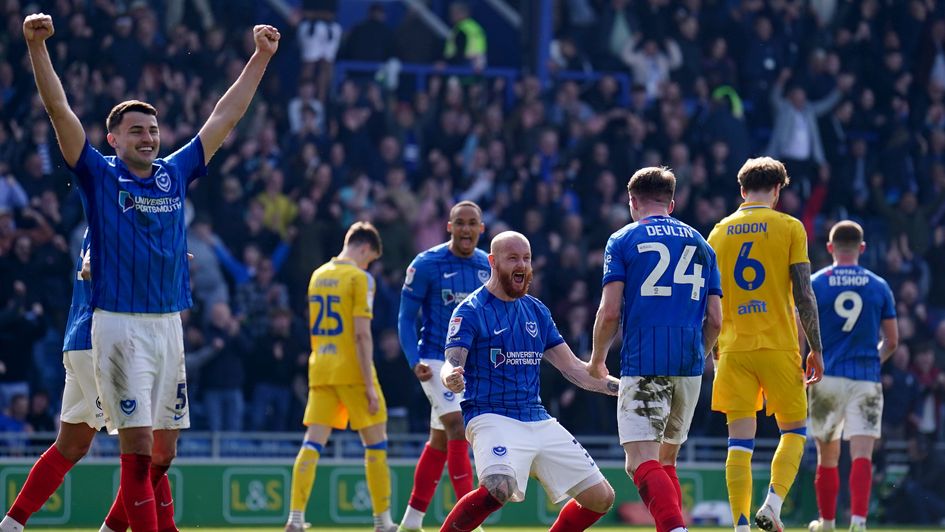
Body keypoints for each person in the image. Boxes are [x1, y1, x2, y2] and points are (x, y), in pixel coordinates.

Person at [20, 12, 280, 531]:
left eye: (154, 130)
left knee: (163, 455)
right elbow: (58, 109)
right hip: (117, 324)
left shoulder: (175, 173)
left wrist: (261, 58)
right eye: (136, 130)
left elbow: (225, 117)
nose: (148, 137)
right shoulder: (97, 174)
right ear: (112, 139)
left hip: (168, 327)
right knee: (136, 449)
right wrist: (37, 47)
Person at [438, 231, 619, 532]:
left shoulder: (536, 311)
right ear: (493, 262)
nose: (522, 265)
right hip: (490, 414)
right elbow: (452, 362)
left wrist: (622, 388)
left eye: (526, 258)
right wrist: (451, 377)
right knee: (498, 487)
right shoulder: (470, 310)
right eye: (513, 259)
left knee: (601, 498)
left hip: (536, 417)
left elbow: (574, 369)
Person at [588, 167, 723, 532]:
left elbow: (610, 310)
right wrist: (699, 353)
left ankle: (675, 529)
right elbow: (715, 318)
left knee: (639, 462)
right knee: (666, 463)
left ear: (632, 201)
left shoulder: (623, 239)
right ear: (672, 203)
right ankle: (674, 526)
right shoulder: (702, 244)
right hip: (689, 364)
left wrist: (598, 359)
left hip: (645, 361)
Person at [706, 157, 825, 532]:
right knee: (794, 431)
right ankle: (771, 506)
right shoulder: (790, 227)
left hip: (733, 349)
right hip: (778, 346)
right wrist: (816, 349)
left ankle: (741, 526)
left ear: (742, 190)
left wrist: (714, 351)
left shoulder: (718, 233)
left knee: (738, 443)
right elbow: (804, 295)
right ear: (777, 191)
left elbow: (709, 304)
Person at [285, 222, 397, 532]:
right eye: (370, 259)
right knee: (376, 445)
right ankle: (382, 521)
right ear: (364, 249)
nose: (369, 264)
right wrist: (369, 386)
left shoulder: (318, 276)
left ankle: (295, 517)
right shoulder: (360, 279)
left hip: (321, 369)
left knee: (312, 444)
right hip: (353, 371)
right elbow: (362, 335)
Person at [397, 201, 490, 532]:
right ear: (449, 227)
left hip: (470, 365)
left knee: (440, 439)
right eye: (459, 223)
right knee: (456, 425)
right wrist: (414, 360)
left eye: (472, 223)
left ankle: (411, 521)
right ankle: (470, 522)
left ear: (481, 228)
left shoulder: (487, 266)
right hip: (436, 359)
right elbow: (406, 318)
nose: (466, 229)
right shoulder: (426, 264)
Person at [807, 221, 899, 532]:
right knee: (862, 454)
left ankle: (828, 522)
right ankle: (858, 522)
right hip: (866, 379)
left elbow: (800, 333)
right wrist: (875, 358)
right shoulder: (878, 285)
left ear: (830, 248)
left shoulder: (817, 283)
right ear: (861, 248)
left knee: (827, 454)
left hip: (828, 377)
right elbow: (893, 340)